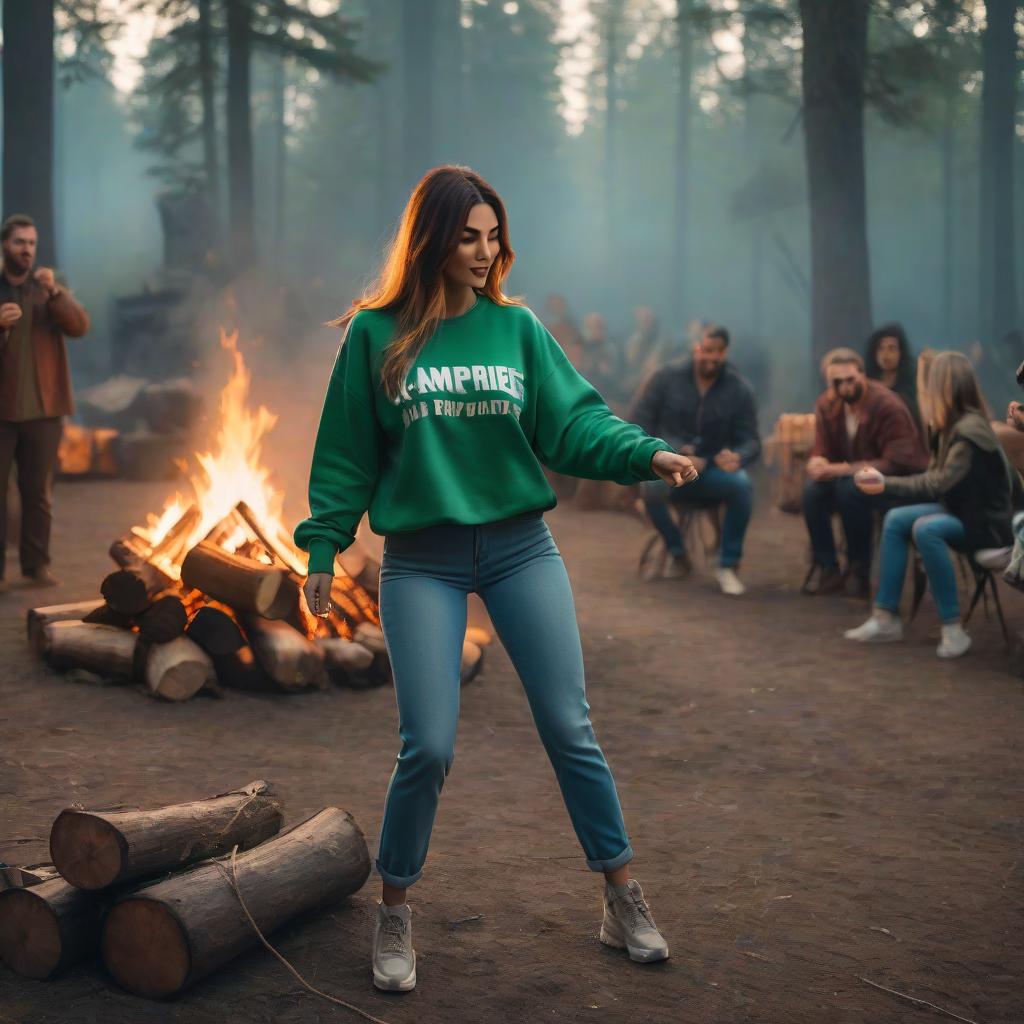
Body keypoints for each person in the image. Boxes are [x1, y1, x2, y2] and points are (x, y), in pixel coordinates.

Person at [294, 166, 698, 992]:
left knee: (569, 725)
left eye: (493, 236)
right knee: (429, 746)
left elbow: (576, 421)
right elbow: (344, 454)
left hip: (520, 549)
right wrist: (322, 549)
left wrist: (642, 453)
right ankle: (396, 911)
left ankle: (621, 896)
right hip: (422, 562)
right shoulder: (375, 335)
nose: (486, 252)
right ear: (434, 240)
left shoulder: (517, 331)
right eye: (469, 236)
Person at [845, 351, 1016, 658]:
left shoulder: (969, 431)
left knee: (927, 529)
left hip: (988, 525)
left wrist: (885, 483)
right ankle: (886, 618)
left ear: (945, 387)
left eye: (929, 384)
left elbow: (936, 484)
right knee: (897, 519)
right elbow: (936, 479)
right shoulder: (951, 425)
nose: (924, 391)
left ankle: (953, 630)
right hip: (965, 512)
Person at [631, 324, 760, 596]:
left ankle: (727, 564)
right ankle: (678, 552)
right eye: (706, 350)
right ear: (695, 347)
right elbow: (638, 422)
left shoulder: (738, 388)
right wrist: (665, 452)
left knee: (742, 485)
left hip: (710, 470)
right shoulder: (666, 378)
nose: (711, 357)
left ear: (725, 352)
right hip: (667, 467)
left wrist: (737, 456)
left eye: (718, 352)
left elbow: (751, 440)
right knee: (649, 487)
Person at [0, 214, 90, 592]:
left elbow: (79, 326)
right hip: (2, 412)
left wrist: (56, 293)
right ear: (5, 245)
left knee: (38, 493)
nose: (27, 250)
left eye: (32, 244)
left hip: (43, 411)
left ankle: (35, 566)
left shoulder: (48, 289)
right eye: (20, 242)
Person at [801, 348, 928, 598]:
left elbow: (898, 461)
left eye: (851, 379)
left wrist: (843, 469)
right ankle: (828, 568)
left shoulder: (886, 405)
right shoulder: (828, 404)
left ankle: (859, 570)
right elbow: (823, 446)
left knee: (851, 488)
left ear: (863, 375)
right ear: (829, 382)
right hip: (851, 479)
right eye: (837, 382)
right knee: (812, 491)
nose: (845, 387)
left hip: (896, 484)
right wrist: (817, 461)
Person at [864, 322, 920, 428]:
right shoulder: (867, 383)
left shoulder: (912, 380)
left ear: (900, 352)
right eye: (881, 348)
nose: (886, 354)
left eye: (892, 348)